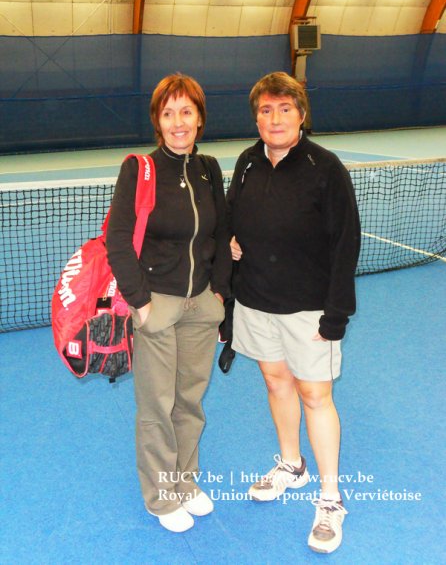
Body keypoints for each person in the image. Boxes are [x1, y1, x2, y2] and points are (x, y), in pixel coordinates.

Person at [226, 72, 360, 554]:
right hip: (256, 301)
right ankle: (290, 464)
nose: (275, 118)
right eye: (266, 110)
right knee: (276, 383)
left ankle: (330, 498)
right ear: (256, 118)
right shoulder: (246, 162)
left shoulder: (326, 168)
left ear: (301, 115)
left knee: (315, 396)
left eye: (285, 109)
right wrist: (230, 242)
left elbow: (346, 243)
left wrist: (336, 313)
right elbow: (230, 216)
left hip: (310, 309)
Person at [106, 74, 231, 533]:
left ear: (199, 118)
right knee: (157, 406)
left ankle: (184, 482)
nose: (178, 122)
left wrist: (219, 293)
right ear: (158, 122)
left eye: (186, 112)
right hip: (157, 304)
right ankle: (161, 497)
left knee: (189, 402)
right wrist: (141, 303)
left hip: (202, 306)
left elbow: (221, 234)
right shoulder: (138, 169)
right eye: (168, 113)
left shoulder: (209, 169)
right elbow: (117, 239)